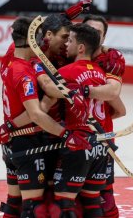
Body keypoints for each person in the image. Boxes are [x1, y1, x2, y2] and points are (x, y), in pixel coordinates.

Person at [0, 16, 92, 218]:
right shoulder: (24, 72)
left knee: (14, 204)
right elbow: (36, 114)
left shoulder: (9, 58)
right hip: (27, 142)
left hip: (13, 141)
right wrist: (66, 134)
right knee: (32, 209)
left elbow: (24, 30)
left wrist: (8, 126)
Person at [41, 23, 108, 217]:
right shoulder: (100, 73)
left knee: (64, 201)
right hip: (101, 144)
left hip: (77, 142)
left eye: (70, 40)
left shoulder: (67, 72)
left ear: (80, 48)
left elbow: (44, 107)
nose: (66, 45)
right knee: (93, 200)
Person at [82, 15, 127, 218]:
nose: (93, 35)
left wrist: (84, 91)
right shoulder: (69, 54)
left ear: (104, 36)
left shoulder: (111, 58)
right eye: (89, 30)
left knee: (105, 197)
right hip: (71, 136)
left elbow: (113, 95)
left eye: (98, 33)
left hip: (101, 138)